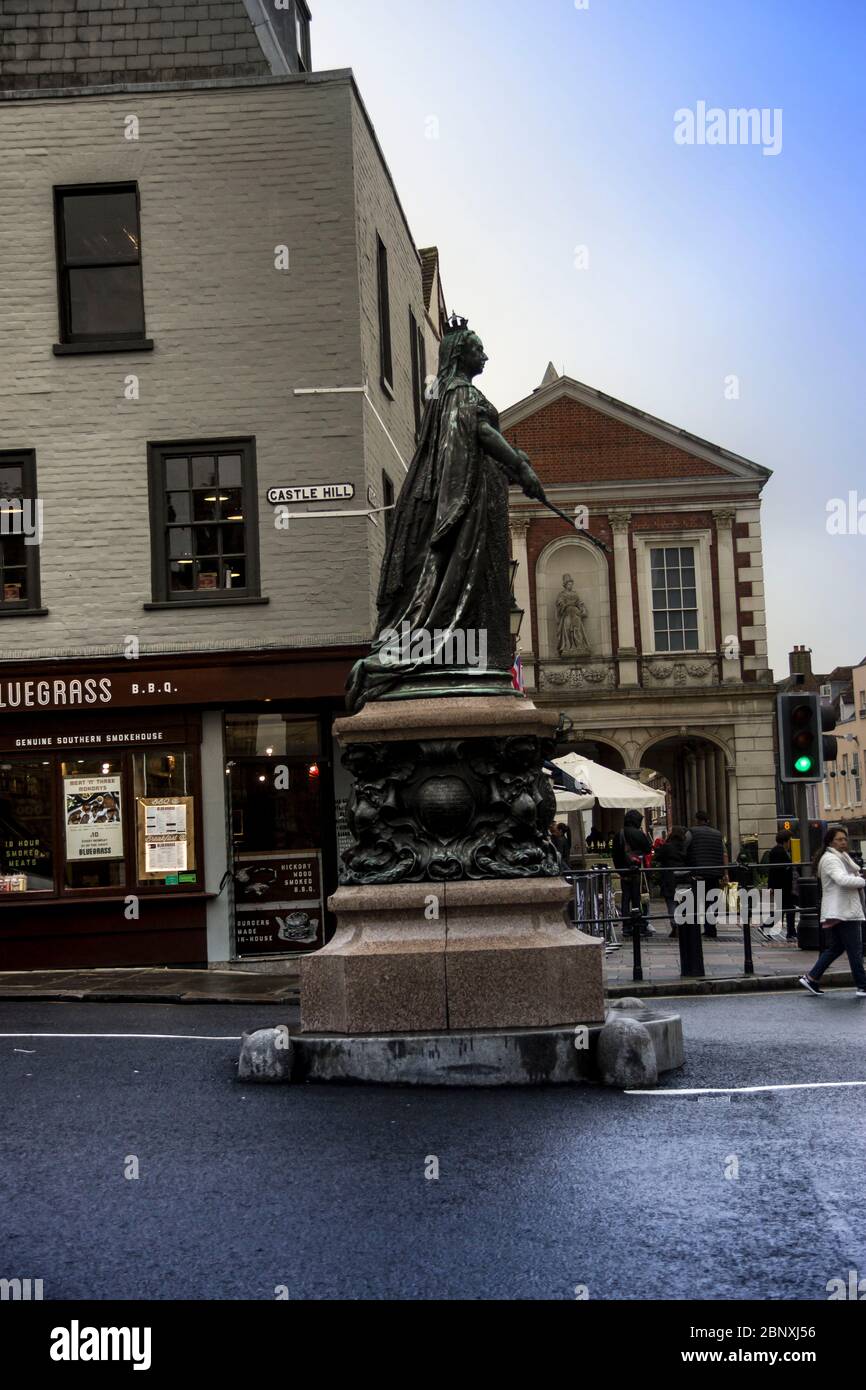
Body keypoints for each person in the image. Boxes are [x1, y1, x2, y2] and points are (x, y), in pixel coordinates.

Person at [800, 827, 866, 997]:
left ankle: (811, 978)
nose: (843, 842)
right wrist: (862, 880)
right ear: (830, 842)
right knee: (855, 949)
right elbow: (841, 880)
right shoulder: (831, 859)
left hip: (841, 909)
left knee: (836, 948)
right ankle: (862, 985)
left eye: (845, 839)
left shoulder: (840, 857)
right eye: (839, 839)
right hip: (844, 910)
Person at [613, 810, 654, 939]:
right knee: (638, 898)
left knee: (626, 898)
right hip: (637, 870)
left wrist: (620, 870)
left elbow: (615, 854)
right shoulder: (639, 834)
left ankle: (626, 926)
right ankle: (639, 925)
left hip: (624, 871)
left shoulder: (619, 834)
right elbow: (648, 849)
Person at [686, 811, 727, 939]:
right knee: (712, 901)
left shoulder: (691, 832)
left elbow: (684, 848)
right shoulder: (718, 834)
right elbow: (724, 854)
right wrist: (725, 873)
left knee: (699, 902)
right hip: (714, 873)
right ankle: (711, 928)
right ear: (708, 820)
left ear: (697, 820)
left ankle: (696, 929)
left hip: (699, 873)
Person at [653, 826, 688, 938]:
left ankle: (675, 925)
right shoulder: (685, 846)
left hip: (669, 877)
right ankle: (683, 925)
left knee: (671, 902)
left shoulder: (667, 846)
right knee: (682, 902)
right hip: (684, 877)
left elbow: (657, 857)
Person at [766, 831, 797, 942]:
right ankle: (790, 933)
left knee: (785, 908)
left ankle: (790, 932)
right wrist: (772, 886)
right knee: (787, 908)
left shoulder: (778, 851)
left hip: (782, 885)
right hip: (782, 885)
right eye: (789, 840)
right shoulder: (779, 851)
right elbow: (775, 870)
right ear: (786, 841)